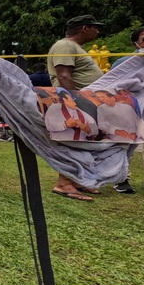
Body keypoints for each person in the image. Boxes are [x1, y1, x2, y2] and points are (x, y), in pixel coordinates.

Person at [46, 15, 105, 201]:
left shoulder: (76, 48)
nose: (98, 31)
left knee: (86, 141)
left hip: (85, 100)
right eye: (96, 27)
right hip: (75, 101)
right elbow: (64, 75)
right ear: (85, 28)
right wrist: (75, 103)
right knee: (76, 141)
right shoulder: (66, 45)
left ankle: (77, 179)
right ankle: (64, 183)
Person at [107, 26, 144, 193]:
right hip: (130, 109)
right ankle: (121, 179)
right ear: (137, 43)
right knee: (125, 144)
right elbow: (113, 84)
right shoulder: (125, 63)